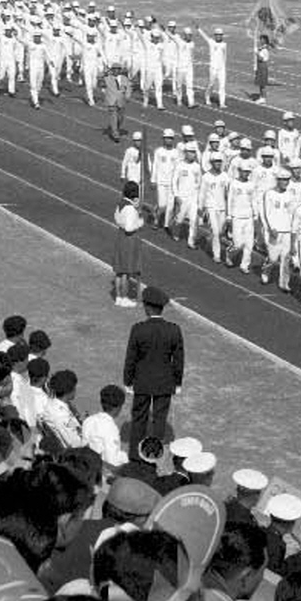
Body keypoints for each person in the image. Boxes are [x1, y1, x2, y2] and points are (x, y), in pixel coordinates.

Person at [122, 286, 184, 456]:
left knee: (139, 419)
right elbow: (178, 360)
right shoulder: (174, 329)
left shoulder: (138, 329)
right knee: (160, 419)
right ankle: (153, 455)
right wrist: (177, 382)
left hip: (142, 381)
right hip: (165, 381)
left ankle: (135, 455)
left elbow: (131, 358)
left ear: (148, 307)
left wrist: (127, 381)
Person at [111, 181, 146, 309]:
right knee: (125, 271)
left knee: (119, 270)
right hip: (128, 239)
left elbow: (116, 218)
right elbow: (129, 228)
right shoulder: (130, 209)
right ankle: (124, 298)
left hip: (120, 237)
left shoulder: (120, 204)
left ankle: (119, 297)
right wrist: (140, 222)